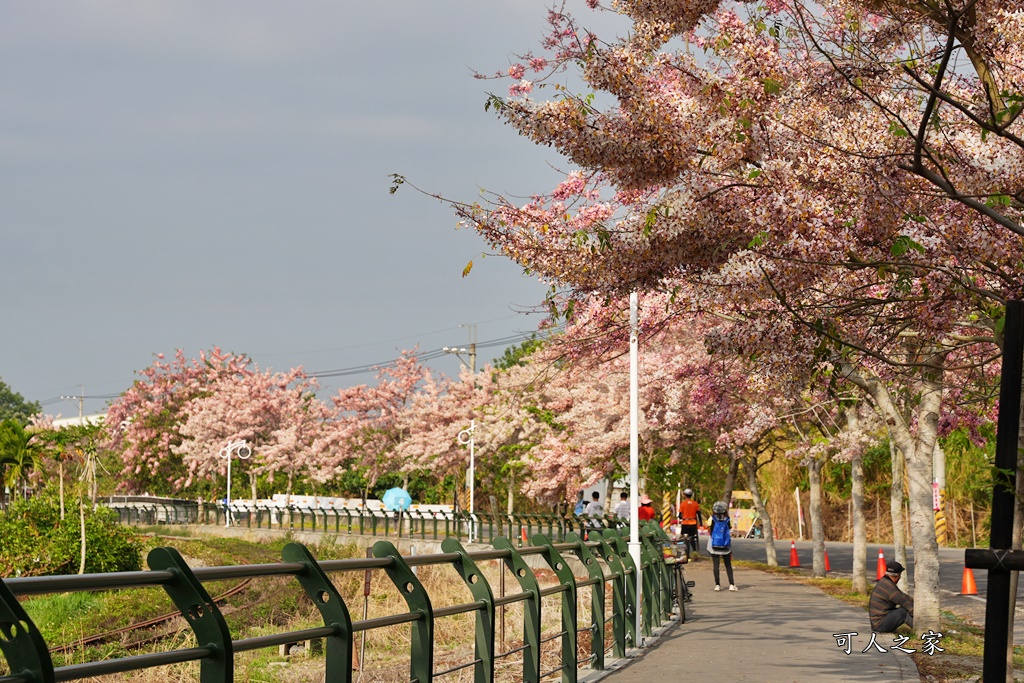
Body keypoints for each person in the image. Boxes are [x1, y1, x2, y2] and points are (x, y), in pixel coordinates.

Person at [869, 561, 914, 632]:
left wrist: (914, 602)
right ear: (897, 575)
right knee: (903, 611)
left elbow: (903, 596)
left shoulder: (884, 581)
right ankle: (923, 630)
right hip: (880, 625)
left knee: (905, 608)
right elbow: (905, 603)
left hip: (878, 622)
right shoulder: (890, 588)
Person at [707, 500, 737, 591]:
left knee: (716, 565)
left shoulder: (711, 519)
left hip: (714, 544)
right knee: (728, 565)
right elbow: (729, 529)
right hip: (725, 545)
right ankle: (731, 584)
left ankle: (717, 585)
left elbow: (709, 530)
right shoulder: (728, 519)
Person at [678, 488, 703, 555]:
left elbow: (680, 515)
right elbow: (699, 514)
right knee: (692, 538)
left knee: (684, 539)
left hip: (685, 523)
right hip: (693, 523)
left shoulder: (683, 504)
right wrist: (701, 524)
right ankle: (695, 552)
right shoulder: (695, 504)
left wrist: (682, 517)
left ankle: (685, 553)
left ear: (685, 495)